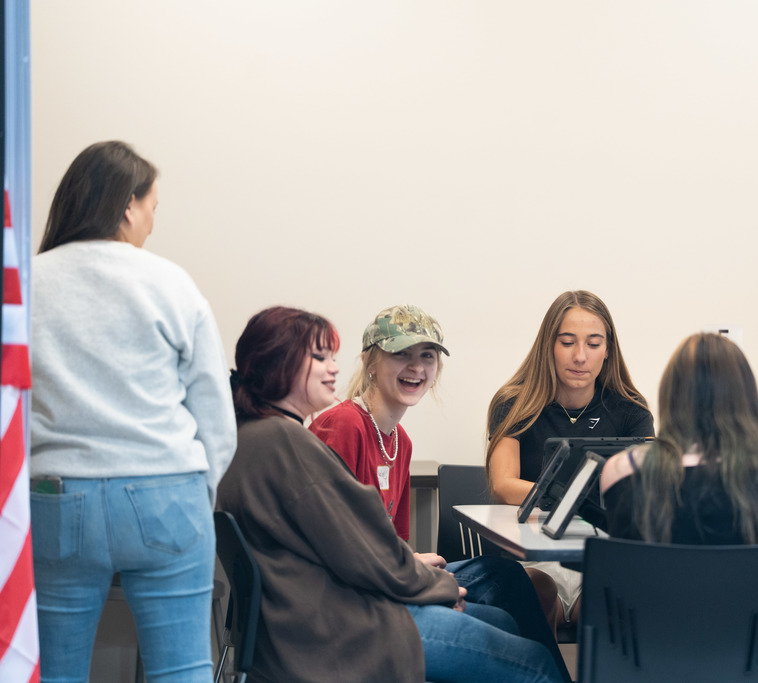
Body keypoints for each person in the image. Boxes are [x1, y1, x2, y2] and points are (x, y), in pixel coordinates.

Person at [218, 306, 564, 683]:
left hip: (335, 608)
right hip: (345, 625)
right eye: (319, 358)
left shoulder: (260, 435)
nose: (334, 368)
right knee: (533, 662)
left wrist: (427, 581)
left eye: (332, 357)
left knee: (503, 605)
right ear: (276, 364)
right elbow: (357, 551)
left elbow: (369, 545)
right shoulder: (289, 440)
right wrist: (438, 587)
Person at [30, 141, 236, 682]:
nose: (151, 223)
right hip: (166, 490)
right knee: (181, 671)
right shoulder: (171, 283)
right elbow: (216, 416)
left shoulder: (27, 284)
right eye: (152, 208)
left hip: (57, 495)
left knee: (55, 670)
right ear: (127, 205)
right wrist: (193, 488)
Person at [485, 290, 655, 630]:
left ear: (608, 351)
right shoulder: (515, 402)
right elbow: (503, 485)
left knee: (618, 601)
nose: (580, 356)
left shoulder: (631, 409)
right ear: (549, 346)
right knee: (537, 592)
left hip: (599, 556)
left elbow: (651, 484)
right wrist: (578, 498)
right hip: (531, 555)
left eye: (593, 344)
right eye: (567, 342)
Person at [599, 332, 758, 558]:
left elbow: (623, 569)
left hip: (659, 593)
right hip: (753, 594)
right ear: (745, 395)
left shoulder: (623, 470)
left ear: (671, 394)